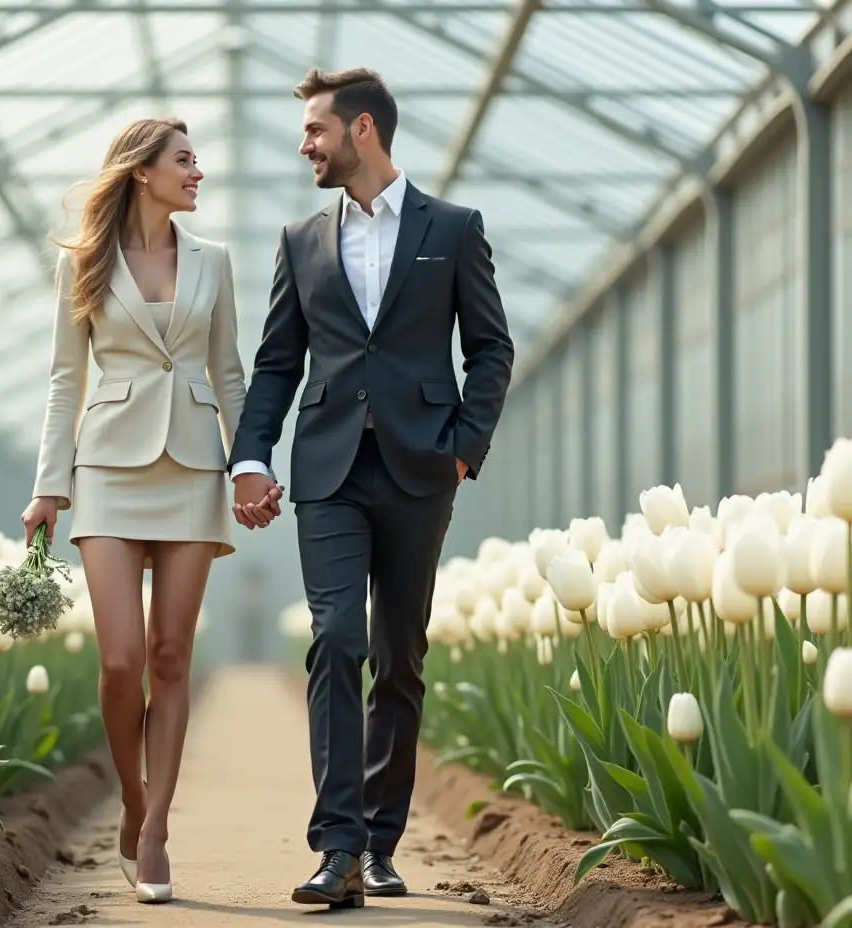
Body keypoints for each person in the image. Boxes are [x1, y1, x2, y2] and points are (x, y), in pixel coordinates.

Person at [227, 68, 515, 909]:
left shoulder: (454, 229)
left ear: (363, 130)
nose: (304, 144)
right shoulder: (299, 239)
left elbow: (491, 349)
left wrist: (465, 446)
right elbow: (278, 363)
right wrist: (252, 457)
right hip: (327, 472)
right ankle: (337, 847)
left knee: (399, 656)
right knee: (337, 640)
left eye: (315, 129)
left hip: (423, 464)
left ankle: (382, 842)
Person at [21, 117, 251, 905]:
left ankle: (155, 830)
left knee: (170, 658)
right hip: (108, 471)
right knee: (120, 661)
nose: (198, 172)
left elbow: (229, 375)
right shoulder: (86, 263)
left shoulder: (214, 263)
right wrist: (49, 485)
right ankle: (132, 795)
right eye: (184, 160)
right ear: (142, 171)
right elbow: (63, 380)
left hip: (194, 468)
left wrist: (248, 465)